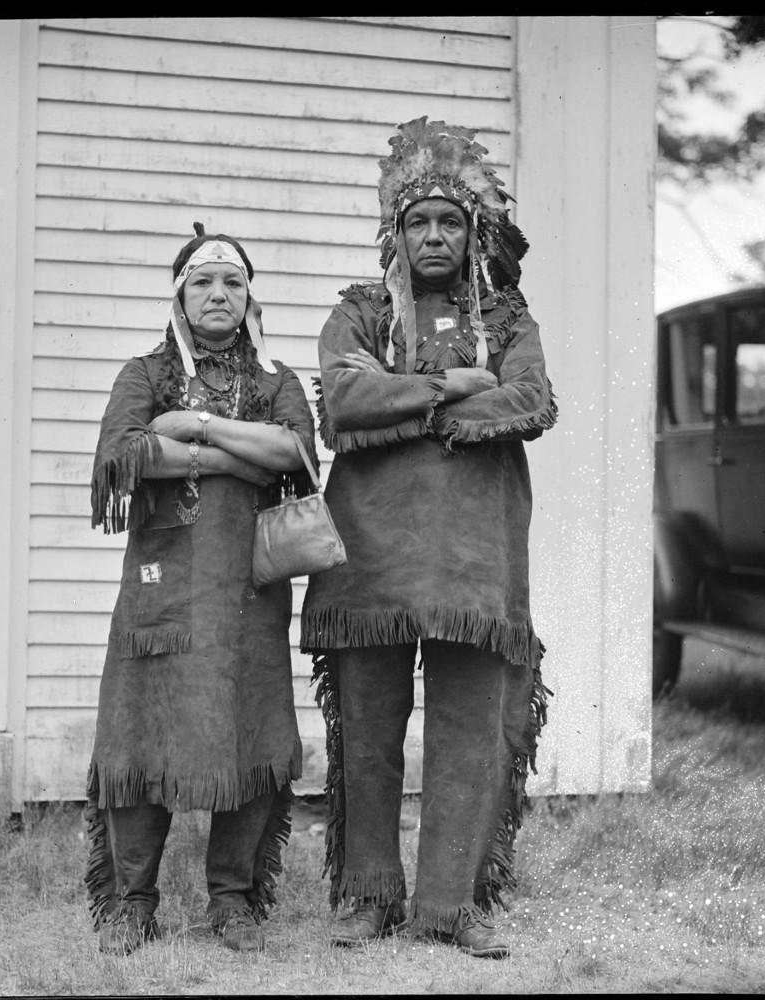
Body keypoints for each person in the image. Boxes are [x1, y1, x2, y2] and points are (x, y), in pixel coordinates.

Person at [300, 118, 557, 960]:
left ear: (473, 231)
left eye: (450, 221)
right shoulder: (363, 311)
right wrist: (454, 387)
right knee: (368, 735)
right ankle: (368, 896)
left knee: (471, 733)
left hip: (475, 560)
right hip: (371, 558)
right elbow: (343, 402)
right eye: (419, 223)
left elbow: (528, 401)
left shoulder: (506, 316)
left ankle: (452, 905)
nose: (435, 236)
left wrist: (408, 400)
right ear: (396, 232)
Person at [84, 224, 317, 955]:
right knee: (139, 736)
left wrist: (195, 426)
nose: (219, 294)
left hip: (247, 594)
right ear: (180, 297)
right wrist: (233, 457)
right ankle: (131, 903)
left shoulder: (275, 381)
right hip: (163, 593)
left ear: (250, 298)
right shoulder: (146, 373)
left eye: (233, 282)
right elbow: (124, 454)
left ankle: (234, 900)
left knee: (250, 732)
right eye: (203, 282)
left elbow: (295, 451)